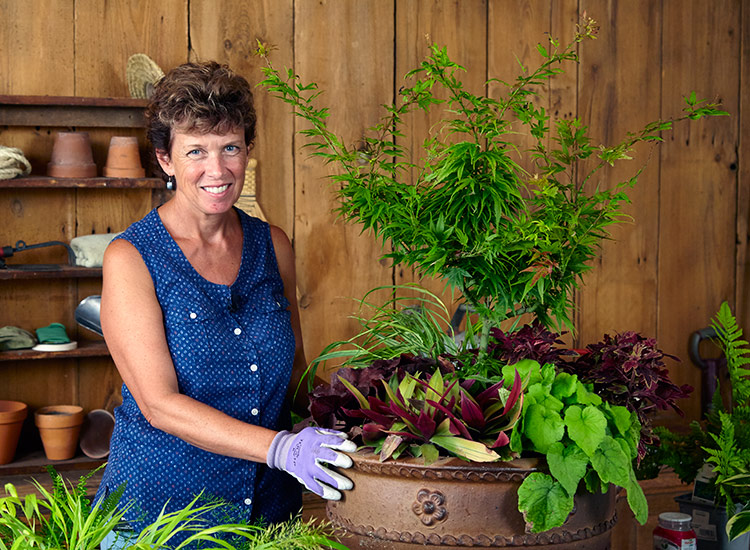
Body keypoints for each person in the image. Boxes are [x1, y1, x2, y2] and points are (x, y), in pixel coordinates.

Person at [96, 61, 355, 548]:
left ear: (248, 151)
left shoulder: (272, 246)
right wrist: (282, 448)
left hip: (269, 515)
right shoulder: (132, 258)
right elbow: (159, 405)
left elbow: (295, 374)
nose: (217, 170)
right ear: (165, 160)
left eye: (230, 148)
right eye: (196, 151)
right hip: (161, 519)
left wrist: (361, 413)